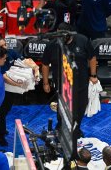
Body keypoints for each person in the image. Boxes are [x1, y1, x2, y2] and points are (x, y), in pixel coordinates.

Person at [41, 22, 98, 159]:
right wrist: (45, 82)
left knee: (79, 111)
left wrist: (93, 75)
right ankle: (62, 129)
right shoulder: (52, 45)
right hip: (62, 87)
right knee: (63, 113)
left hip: (81, 85)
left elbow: (92, 58)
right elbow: (44, 64)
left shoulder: (83, 40)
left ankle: (76, 129)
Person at [0, 37, 26, 146]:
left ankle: (1, 130)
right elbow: (4, 77)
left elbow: (23, 61)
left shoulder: (10, 53)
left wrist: (33, 68)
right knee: (1, 113)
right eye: (2, 46)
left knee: (5, 110)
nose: (6, 47)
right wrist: (19, 84)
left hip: (10, 90)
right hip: (0, 91)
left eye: (5, 44)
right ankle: (0, 136)